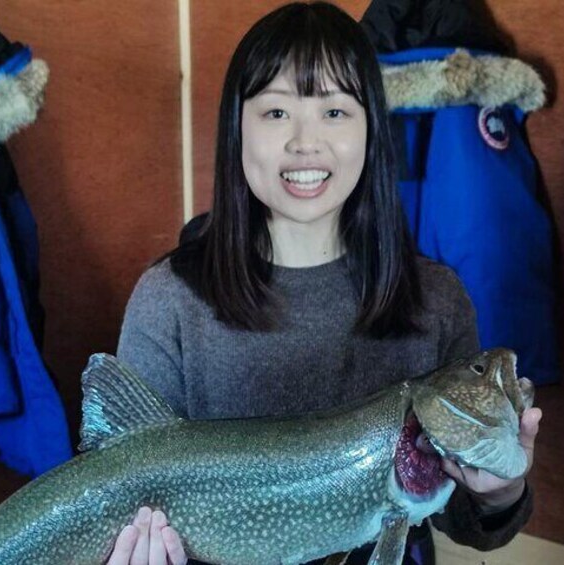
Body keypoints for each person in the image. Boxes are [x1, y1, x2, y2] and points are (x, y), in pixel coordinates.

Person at [106, 3, 541, 564]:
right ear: (237, 128)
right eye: (276, 112)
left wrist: (502, 491)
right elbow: (117, 487)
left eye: (335, 111)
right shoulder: (168, 300)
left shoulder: (437, 299)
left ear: (372, 129)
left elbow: (461, 516)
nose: (305, 143)